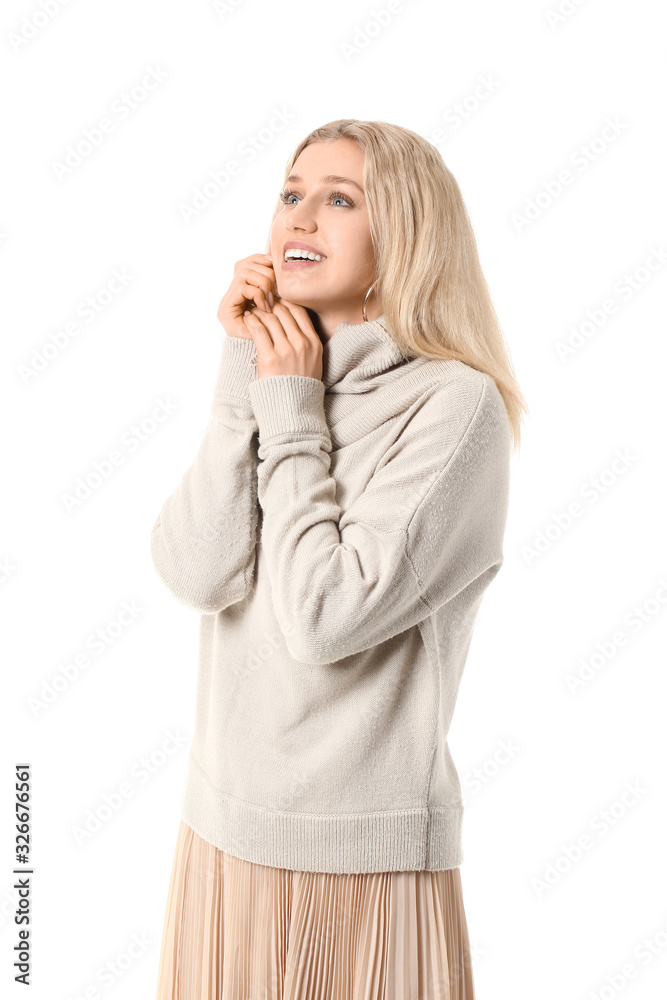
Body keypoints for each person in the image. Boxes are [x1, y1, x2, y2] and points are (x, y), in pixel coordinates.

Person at [152, 118, 527, 999]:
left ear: (404, 233)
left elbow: (325, 619)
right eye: (290, 193)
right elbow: (193, 571)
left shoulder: (453, 407)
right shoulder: (282, 376)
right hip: (218, 833)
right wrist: (244, 374)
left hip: (357, 858)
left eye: (339, 199)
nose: (300, 218)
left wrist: (287, 409)